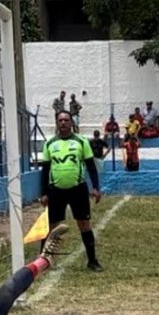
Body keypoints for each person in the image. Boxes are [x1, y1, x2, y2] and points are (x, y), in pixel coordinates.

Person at [40, 110, 103, 272]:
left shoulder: (81, 142)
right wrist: (43, 193)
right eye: (60, 120)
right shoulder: (49, 144)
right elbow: (45, 170)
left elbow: (90, 166)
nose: (63, 123)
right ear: (56, 123)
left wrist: (96, 187)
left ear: (71, 123)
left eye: (66, 120)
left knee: (84, 224)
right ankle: (43, 260)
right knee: (52, 226)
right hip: (56, 191)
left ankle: (92, 261)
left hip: (78, 190)